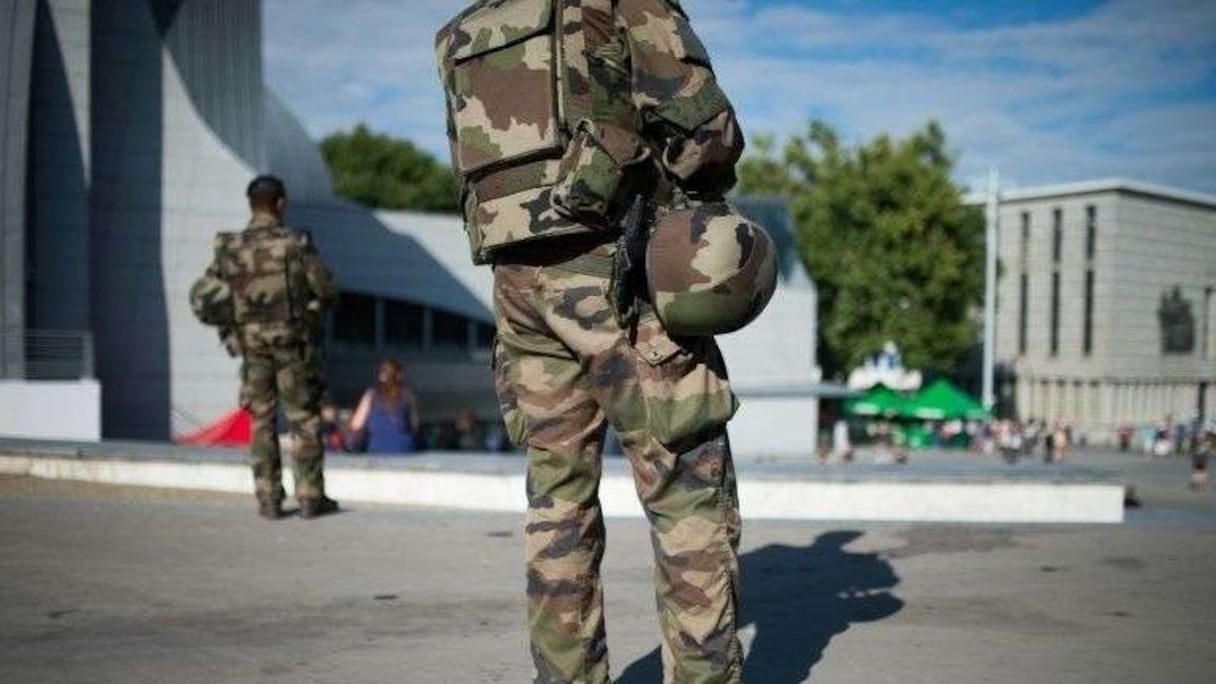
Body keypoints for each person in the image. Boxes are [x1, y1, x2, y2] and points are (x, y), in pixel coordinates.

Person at [436, 1, 758, 681]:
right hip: (618, 266)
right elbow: (708, 130)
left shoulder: (466, 29)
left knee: (557, 504)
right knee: (687, 489)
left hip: (519, 285)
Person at [189, 175, 338, 520]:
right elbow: (326, 290)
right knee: (303, 418)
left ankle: (268, 499)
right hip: (294, 346)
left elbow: (205, 296)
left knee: (261, 420)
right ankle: (310, 496)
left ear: (251, 204)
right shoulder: (295, 242)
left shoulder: (230, 246)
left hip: (251, 347)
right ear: (281, 203)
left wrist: (231, 328)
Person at [349, 358, 421, 454]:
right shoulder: (408, 396)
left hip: (377, 447)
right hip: (403, 448)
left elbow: (356, 424)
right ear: (399, 376)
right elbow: (414, 426)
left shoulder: (371, 395)